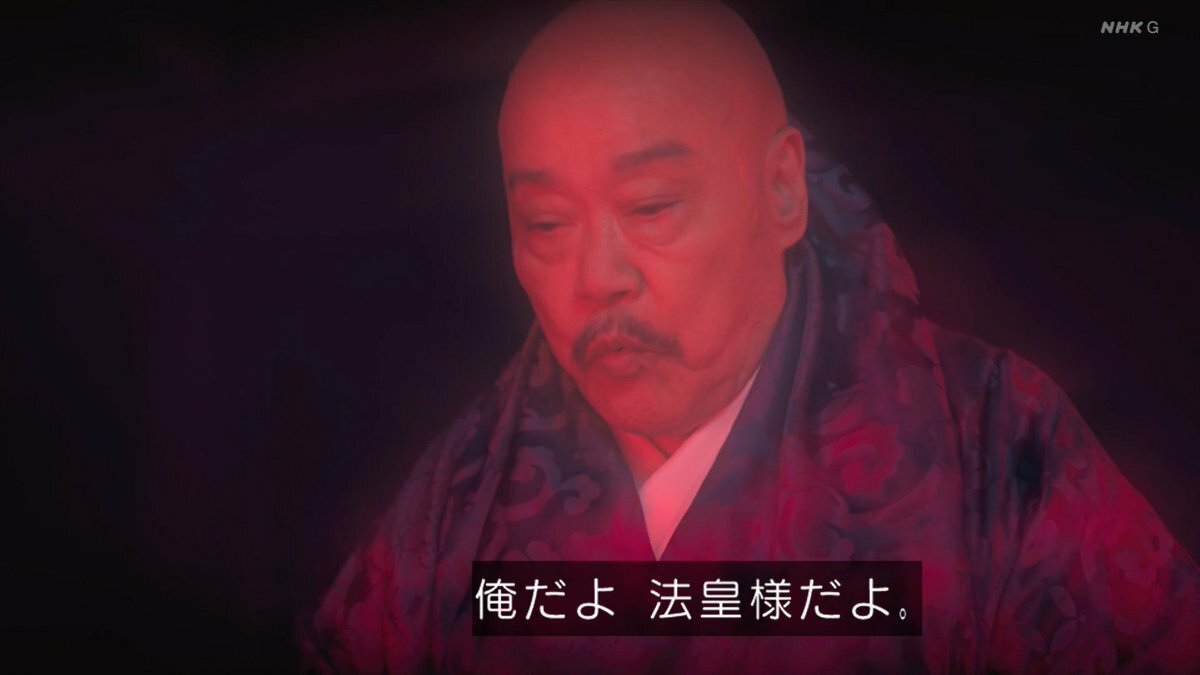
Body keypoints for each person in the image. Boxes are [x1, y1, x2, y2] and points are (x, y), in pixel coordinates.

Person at [298, 2, 1200, 672]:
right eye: (545, 224)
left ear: (781, 190)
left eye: (652, 206)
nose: (596, 277)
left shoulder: (995, 438)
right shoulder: (463, 492)